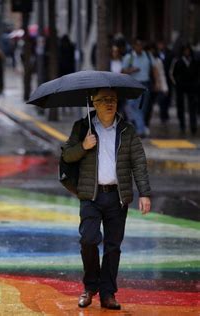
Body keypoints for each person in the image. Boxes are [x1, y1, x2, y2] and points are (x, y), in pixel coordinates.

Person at [62, 88, 151, 310]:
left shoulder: (127, 131)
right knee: (89, 240)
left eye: (112, 99)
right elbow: (66, 155)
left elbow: (138, 162)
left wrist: (145, 193)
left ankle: (108, 293)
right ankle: (90, 286)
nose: (109, 103)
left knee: (113, 247)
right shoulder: (83, 128)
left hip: (117, 197)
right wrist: (84, 146)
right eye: (103, 100)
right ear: (94, 103)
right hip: (90, 196)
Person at [122, 39, 152, 137]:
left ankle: (140, 128)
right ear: (134, 46)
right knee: (133, 106)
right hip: (133, 84)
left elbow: (155, 69)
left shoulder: (148, 55)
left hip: (145, 84)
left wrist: (158, 83)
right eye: (137, 45)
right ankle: (141, 129)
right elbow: (122, 71)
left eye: (141, 45)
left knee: (142, 108)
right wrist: (132, 70)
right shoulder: (129, 57)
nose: (139, 47)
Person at [170, 44, 199, 136]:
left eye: (188, 50)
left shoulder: (194, 61)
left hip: (192, 88)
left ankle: (193, 125)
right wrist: (176, 84)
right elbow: (172, 74)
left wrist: (196, 84)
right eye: (185, 50)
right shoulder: (178, 61)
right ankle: (182, 125)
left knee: (193, 107)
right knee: (181, 107)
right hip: (180, 88)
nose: (186, 52)